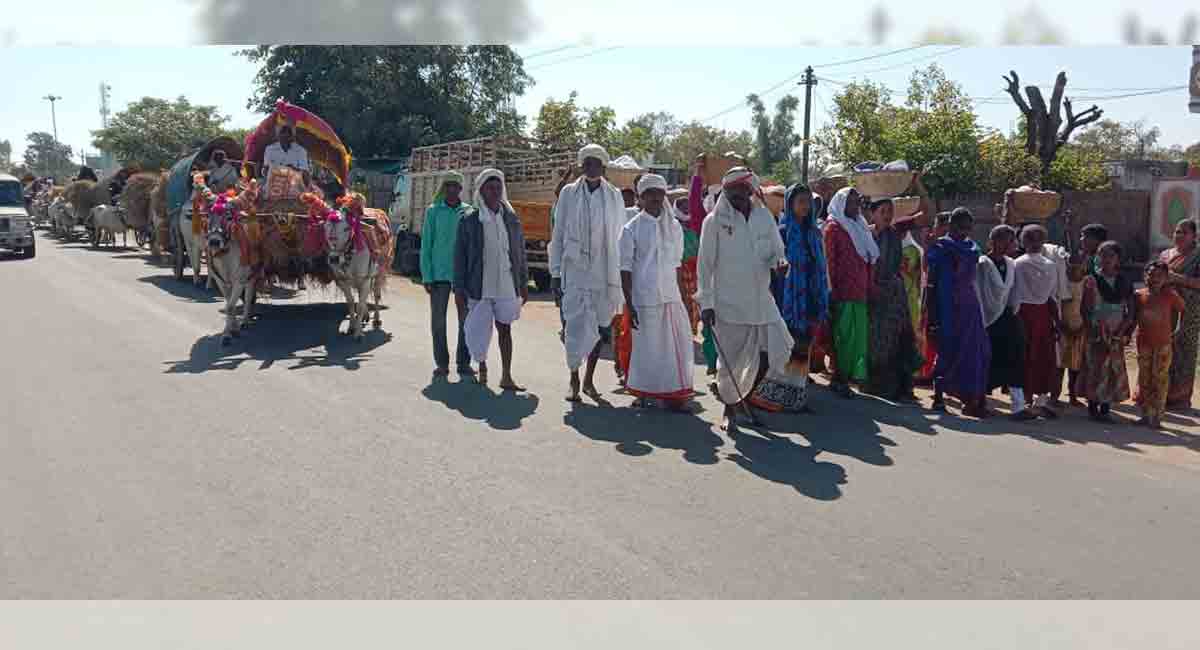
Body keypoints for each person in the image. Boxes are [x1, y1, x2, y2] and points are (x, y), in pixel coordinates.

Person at [549, 144, 626, 403]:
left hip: (603, 274)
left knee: (599, 327)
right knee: (573, 327)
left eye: (596, 164)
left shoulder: (614, 196)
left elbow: (620, 236)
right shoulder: (569, 194)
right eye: (587, 163)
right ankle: (573, 378)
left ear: (604, 168)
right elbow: (557, 234)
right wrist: (555, 273)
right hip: (575, 273)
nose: (591, 167)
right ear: (582, 166)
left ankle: (589, 381)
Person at [750, 183, 829, 414]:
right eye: (800, 201)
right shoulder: (782, 232)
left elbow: (821, 267)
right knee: (785, 347)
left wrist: (822, 295)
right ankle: (769, 396)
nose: (805, 206)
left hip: (811, 298)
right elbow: (770, 266)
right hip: (787, 299)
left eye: (808, 202)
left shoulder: (814, 233)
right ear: (790, 204)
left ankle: (796, 397)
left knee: (803, 347)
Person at [618, 174, 694, 411]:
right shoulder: (631, 229)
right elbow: (625, 269)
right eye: (649, 193)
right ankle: (643, 393)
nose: (654, 198)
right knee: (646, 349)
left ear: (664, 196)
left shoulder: (674, 227)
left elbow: (677, 266)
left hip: (671, 296)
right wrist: (629, 304)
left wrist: (685, 297)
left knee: (675, 348)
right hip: (644, 298)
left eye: (658, 193)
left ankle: (673, 396)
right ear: (640, 197)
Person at [453, 168, 528, 390]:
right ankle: (482, 366)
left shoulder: (511, 219)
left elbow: (519, 254)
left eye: (498, 188)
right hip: (479, 285)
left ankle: (506, 375)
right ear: (481, 191)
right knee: (480, 329)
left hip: (506, 284)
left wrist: (523, 284)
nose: (495, 191)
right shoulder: (469, 221)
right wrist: (458, 289)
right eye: (490, 188)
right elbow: (460, 257)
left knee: (505, 329)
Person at [925, 207, 991, 417]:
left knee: (975, 351)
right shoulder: (941, 248)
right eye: (961, 227)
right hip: (946, 305)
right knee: (946, 348)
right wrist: (931, 312)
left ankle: (971, 398)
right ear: (951, 225)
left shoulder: (972, 248)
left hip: (969, 306)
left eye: (968, 228)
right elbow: (932, 283)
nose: (965, 232)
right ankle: (938, 397)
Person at [864, 196, 922, 401]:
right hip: (872, 293)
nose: (888, 216)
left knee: (898, 340)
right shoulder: (865, 234)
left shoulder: (894, 236)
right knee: (875, 341)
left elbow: (894, 266)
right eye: (883, 211)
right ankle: (875, 385)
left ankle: (900, 388)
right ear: (873, 213)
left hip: (893, 295)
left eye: (890, 212)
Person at [823, 187, 876, 398]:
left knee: (857, 339)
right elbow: (829, 263)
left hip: (860, 292)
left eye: (857, 202)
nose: (855, 206)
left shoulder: (860, 227)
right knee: (843, 338)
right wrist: (830, 293)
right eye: (851, 202)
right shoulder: (833, 228)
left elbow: (869, 259)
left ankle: (847, 377)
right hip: (842, 293)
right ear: (841, 203)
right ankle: (839, 378)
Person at [978, 225, 1035, 420]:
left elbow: (1013, 291)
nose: (1013, 245)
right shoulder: (982, 264)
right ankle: (979, 402)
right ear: (995, 242)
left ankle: (1018, 406)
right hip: (987, 320)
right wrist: (985, 317)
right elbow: (980, 293)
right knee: (987, 360)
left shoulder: (1011, 264)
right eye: (1009, 240)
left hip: (1007, 317)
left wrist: (1012, 310)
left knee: (1016, 357)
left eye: (1014, 241)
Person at [1075, 240, 1134, 422]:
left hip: (1116, 330)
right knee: (1094, 367)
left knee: (1111, 369)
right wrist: (1090, 327)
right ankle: (1093, 407)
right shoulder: (1092, 280)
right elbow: (1084, 308)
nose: (1106, 259)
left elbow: (1130, 309)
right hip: (1096, 330)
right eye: (1102, 255)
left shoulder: (1124, 281)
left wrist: (1123, 329)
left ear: (1118, 258)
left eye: (1110, 255)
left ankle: (1106, 407)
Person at [1009, 225, 1064, 419]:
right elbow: (1052, 297)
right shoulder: (1050, 265)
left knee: (1024, 357)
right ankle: (1040, 401)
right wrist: (1057, 322)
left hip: (1022, 314)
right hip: (1043, 315)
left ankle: (1023, 401)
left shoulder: (1017, 264)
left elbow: (1013, 293)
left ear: (1023, 242)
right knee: (1043, 357)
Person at [421, 171, 472, 378]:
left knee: (465, 321)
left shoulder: (469, 212)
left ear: (461, 189)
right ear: (444, 188)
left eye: (456, 186)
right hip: (439, 274)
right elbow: (426, 244)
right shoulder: (433, 211)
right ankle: (442, 363)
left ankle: (463, 362)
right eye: (448, 185)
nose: (452, 189)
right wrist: (426, 275)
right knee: (438, 321)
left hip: (463, 276)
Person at [1134, 261, 1185, 428]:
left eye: (1159, 276)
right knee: (1144, 379)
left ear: (1166, 278)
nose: (1154, 278)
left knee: (1160, 378)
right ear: (1144, 276)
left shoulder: (1170, 295)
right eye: (1150, 274)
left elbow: (1182, 309)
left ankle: (1157, 416)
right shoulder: (1139, 295)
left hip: (1163, 344)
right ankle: (1145, 414)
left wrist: (1177, 330)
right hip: (1143, 344)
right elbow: (1133, 318)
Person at [1161, 219, 1200, 411]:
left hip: (1189, 312)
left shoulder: (1198, 256)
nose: (1179, 235)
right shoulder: (1165, 254)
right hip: (1165, 310)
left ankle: (1179, 398)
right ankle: (1157, 394)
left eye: (1184, 232)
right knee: (1163, 348)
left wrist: (1176, 278)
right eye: (1177, 231)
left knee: (1184, 352)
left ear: (1194, 236)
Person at [916, 211, 951, 386]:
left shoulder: (941, 247)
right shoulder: (947, 245)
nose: (934, 229)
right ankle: (929, 371)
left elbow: (926, 268)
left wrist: (927, 246)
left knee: (932, 334)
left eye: (937, 226)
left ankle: (930, 372)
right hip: (937, 295)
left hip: (936, 296)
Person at [1060, 258, 1088, 407]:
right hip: (1063, 328)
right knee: (1059, 365)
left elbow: (1087, 307)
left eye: (1079, 267)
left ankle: (1072, 395)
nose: (1075, 269)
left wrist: (1083, 327)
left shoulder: (1086, 285)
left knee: (1075, 366)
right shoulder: (1062, 284)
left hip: (1079, 329)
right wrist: (1062, 326)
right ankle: (1054, 395)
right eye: (1071, 266)